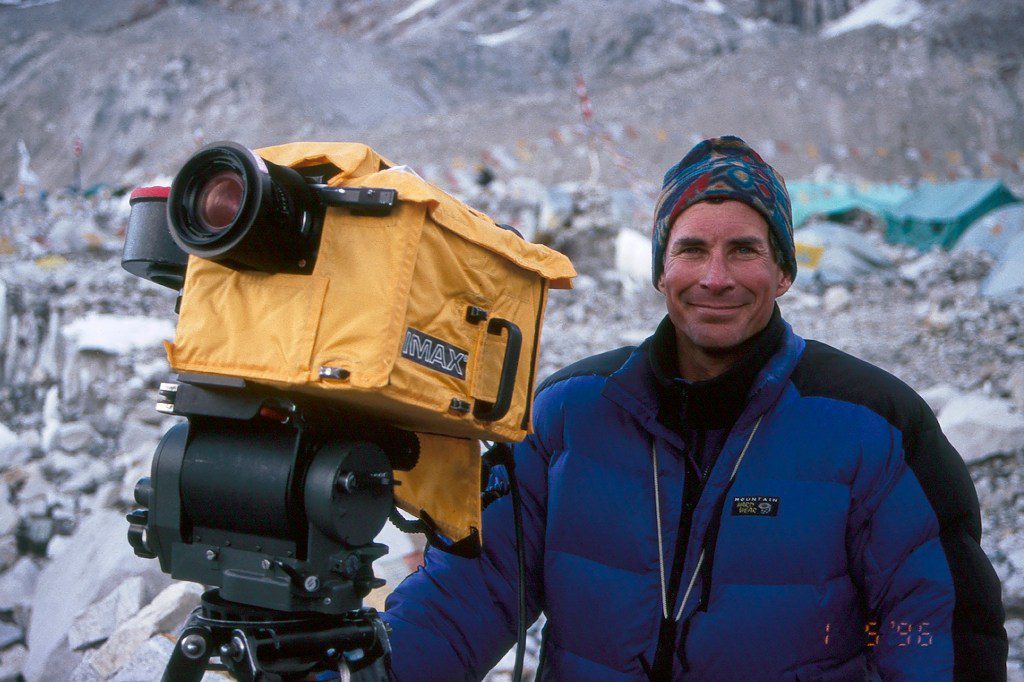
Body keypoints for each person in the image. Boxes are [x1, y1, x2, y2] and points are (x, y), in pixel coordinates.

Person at [382, 136, 1008, 680]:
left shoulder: (873, 426)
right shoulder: (570, 415)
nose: (715, 277)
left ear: (783, 271)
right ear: (660, 269)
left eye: (744, 250)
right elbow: (467, 591)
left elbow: (934, 631)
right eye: (690, 250)